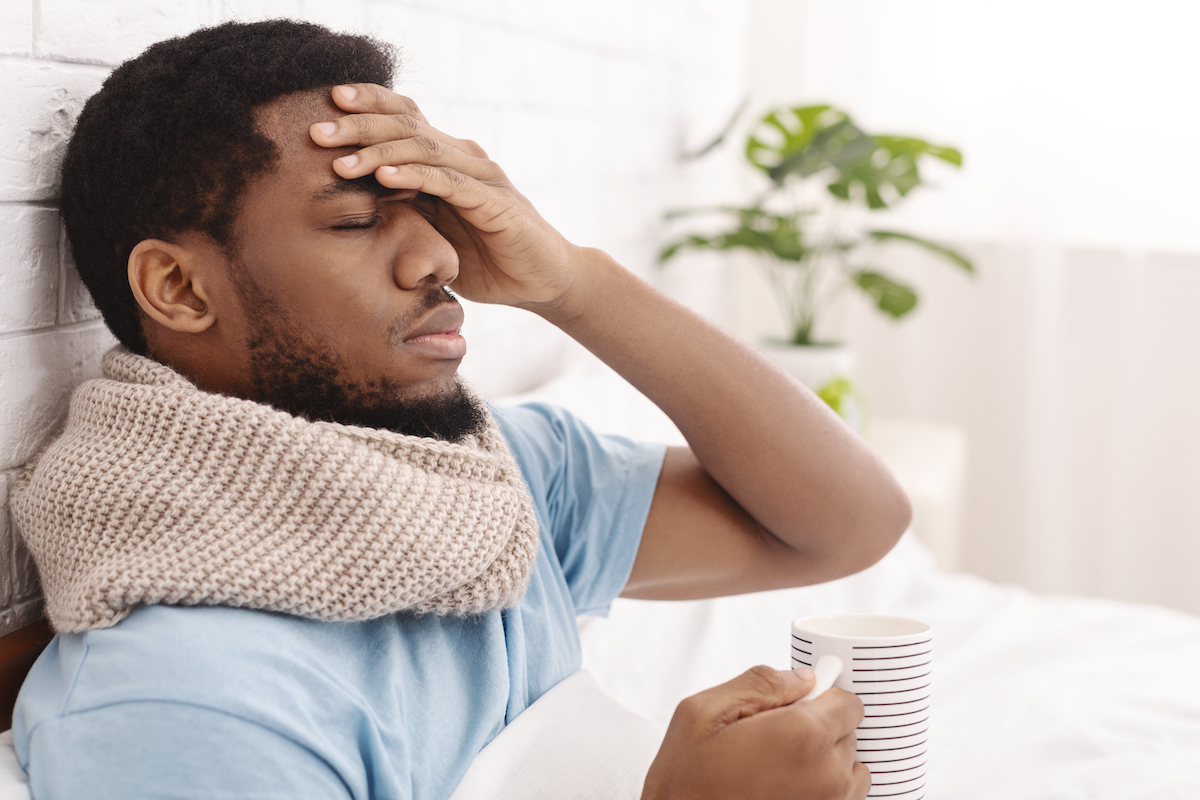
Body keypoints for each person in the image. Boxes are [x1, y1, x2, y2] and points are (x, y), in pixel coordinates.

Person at [9, 19, 910, 800]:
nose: (437, 254)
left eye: (431, 208)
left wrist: (571, 281)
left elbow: (848, 525)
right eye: (358, 222)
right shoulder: (185, 700)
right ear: (178, 287)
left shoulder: (486, 484)